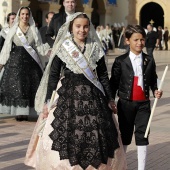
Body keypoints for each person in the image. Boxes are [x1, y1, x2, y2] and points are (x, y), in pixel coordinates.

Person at [25, 12, 127, 170]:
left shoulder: (95, 48)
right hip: (67, 94)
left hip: (93, 96)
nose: (82, 30)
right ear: (71, 27)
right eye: (78, 26)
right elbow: (53, 76)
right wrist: (48, 101)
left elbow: (103, 77)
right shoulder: (63, 47)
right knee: (67, 131)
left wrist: (110, 98)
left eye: (86, 26)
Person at [110, 25, 163, 170]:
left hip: (144, 104)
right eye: (136, 40)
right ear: (127, 41)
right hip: (125, 104)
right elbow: (113, 83)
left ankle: (141, 167)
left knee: (143, 135)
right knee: (125, 135)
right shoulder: (120, 61)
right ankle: (123, 165)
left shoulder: (149, 60)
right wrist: (110, 100)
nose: (140, 43)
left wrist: (156, 90)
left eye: (142, 39)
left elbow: (153, 79)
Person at [0, 7, 49, 121]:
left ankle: (26, 113)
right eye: (22, 14)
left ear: (30, 15)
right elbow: (7, 47)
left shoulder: (34, 30)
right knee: (18, 87)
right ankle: (18, 113)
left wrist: (49, 52)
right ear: (19, 15)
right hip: (15, 62)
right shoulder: (13, 29)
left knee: (29, 86)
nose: (25, 16)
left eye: (27, 14)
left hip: (30, 63)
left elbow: (39, 46)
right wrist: (1, 63)